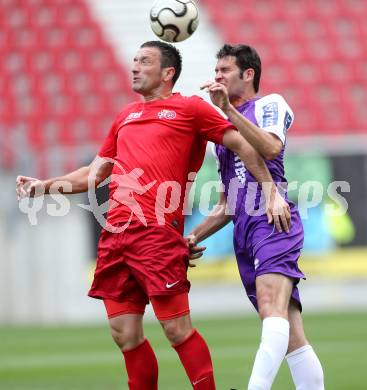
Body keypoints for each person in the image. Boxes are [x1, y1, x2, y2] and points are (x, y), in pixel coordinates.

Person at [16, 41, 290, 390]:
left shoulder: (191, 109)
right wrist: (45, 186)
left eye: (144, 61)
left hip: (157, 233)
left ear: (167, 72)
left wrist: (268, 190)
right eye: (133, 60)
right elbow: (93, 174)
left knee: (176, 328)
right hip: (115, 235)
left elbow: (243, 145)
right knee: (124, 334)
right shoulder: (124, 116)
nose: (134, 67)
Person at [188, 44, 325, 390]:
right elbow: (228, 202)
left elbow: (272, 147)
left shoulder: (269, 104)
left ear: (248, 74)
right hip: (245, 228)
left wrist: (228, 113)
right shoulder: (222, 132)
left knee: (270, 306)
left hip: (272, 217)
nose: (216, 77)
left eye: (225, 71)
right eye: (215, 71)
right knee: (291, 333)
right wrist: (192, 237)